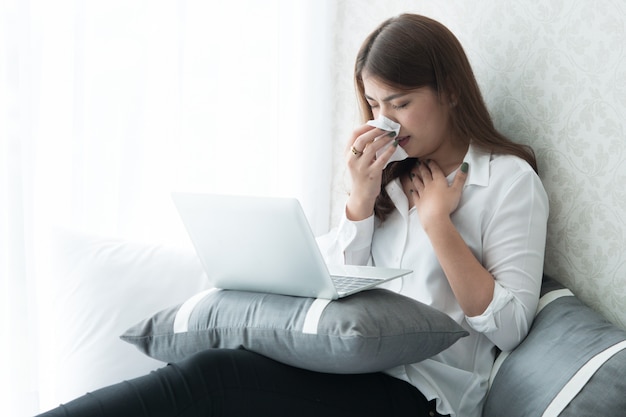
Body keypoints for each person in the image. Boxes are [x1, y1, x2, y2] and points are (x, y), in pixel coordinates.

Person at [36, 13, 548, 417]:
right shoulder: (389, 177)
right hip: (339, 371)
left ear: (451, 91)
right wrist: (360, 200)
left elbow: (511, 328)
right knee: (221, 368)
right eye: (373, 105)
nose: (384, 123)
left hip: (425, 397)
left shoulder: (506, 181)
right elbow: (337, 287)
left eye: (401, 103)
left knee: (216, 379)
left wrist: (439, 226)